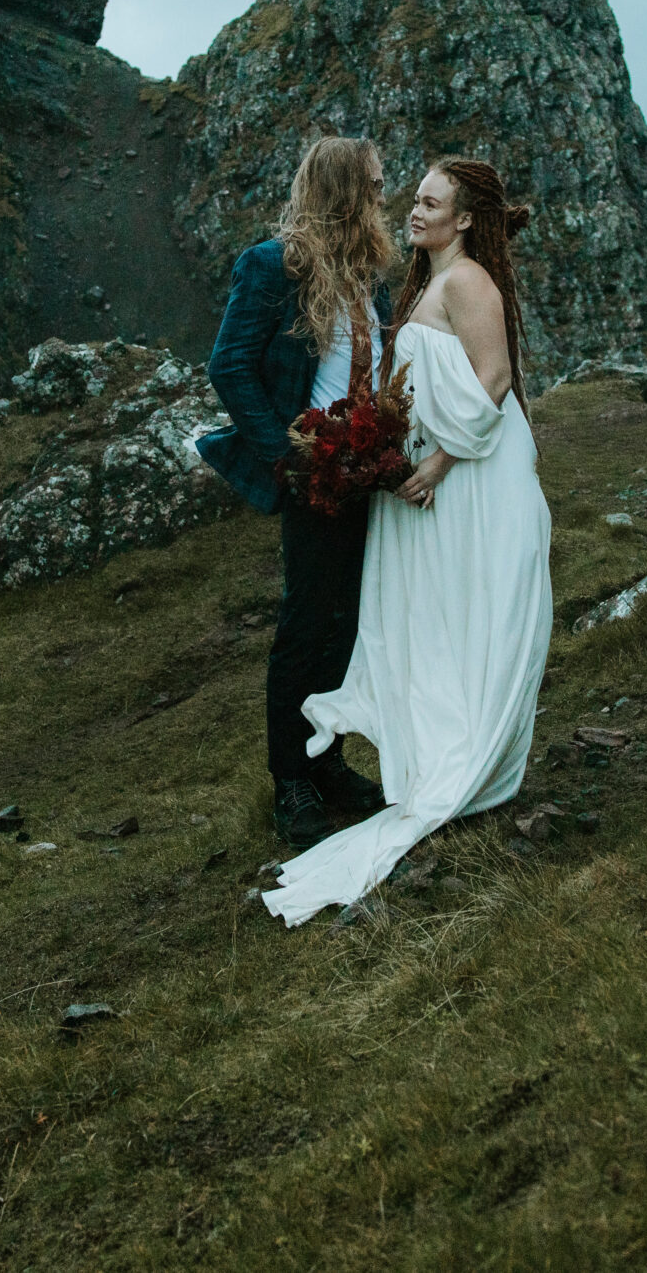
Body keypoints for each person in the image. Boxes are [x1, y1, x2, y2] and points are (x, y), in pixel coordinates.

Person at [261, 156, 554, 927]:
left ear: (465, 219)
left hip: (471, 481)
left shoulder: (468, 281)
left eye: (430, 202)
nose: (413, 210)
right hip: (436, 484)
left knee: (475, 616)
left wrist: (436, 464)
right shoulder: (423, 285)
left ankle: (471, 763)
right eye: (414, 198)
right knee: (436, 621)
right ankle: (432, 755)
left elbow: (494, 380)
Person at [200, 136, 395, 848]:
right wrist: (288, 457)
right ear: (344, 190)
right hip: (312, 475)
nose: (383, 195)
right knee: (306, 624)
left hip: (364, 478)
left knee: (347, 623)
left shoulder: (370, 274)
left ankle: (327, 760)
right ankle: (291, 781)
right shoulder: (273, 266)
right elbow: (228, 365)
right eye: (374, 184)